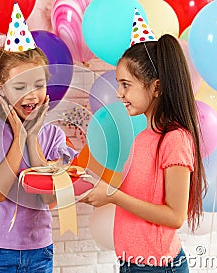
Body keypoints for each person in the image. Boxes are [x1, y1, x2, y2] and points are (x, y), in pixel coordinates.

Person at [80, 21, 207, 273]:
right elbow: (138, 193)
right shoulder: (143, 138)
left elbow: (175, 216)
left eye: (125, 84)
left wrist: (113, 196)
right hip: (132, 264)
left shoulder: (175, 139)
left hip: (157, 267)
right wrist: (86, 181)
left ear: (156, 87)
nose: (118, 93)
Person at [0, 3, 77, 273]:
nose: (32, 94)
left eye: (38, 84)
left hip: (39, 252)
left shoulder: (53, 136)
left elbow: (48, 198)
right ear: (2, 89)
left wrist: (32, 136)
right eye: (20, 86)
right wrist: (19, 137)